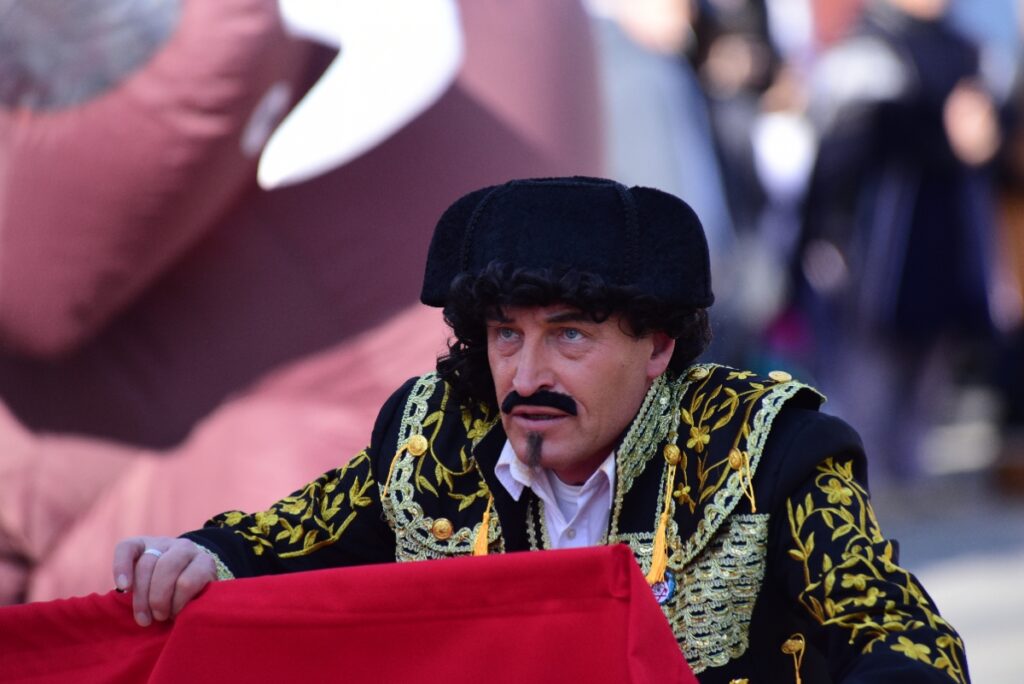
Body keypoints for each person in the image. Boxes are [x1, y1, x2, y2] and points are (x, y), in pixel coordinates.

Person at [113, 177, 969, 683]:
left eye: (570, 337)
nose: (526, 379)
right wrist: (201, 558)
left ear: (657, 347)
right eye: (504, 335)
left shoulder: (766, 447)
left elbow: (908, 644)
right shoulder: (434, 435)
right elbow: (280, 544)